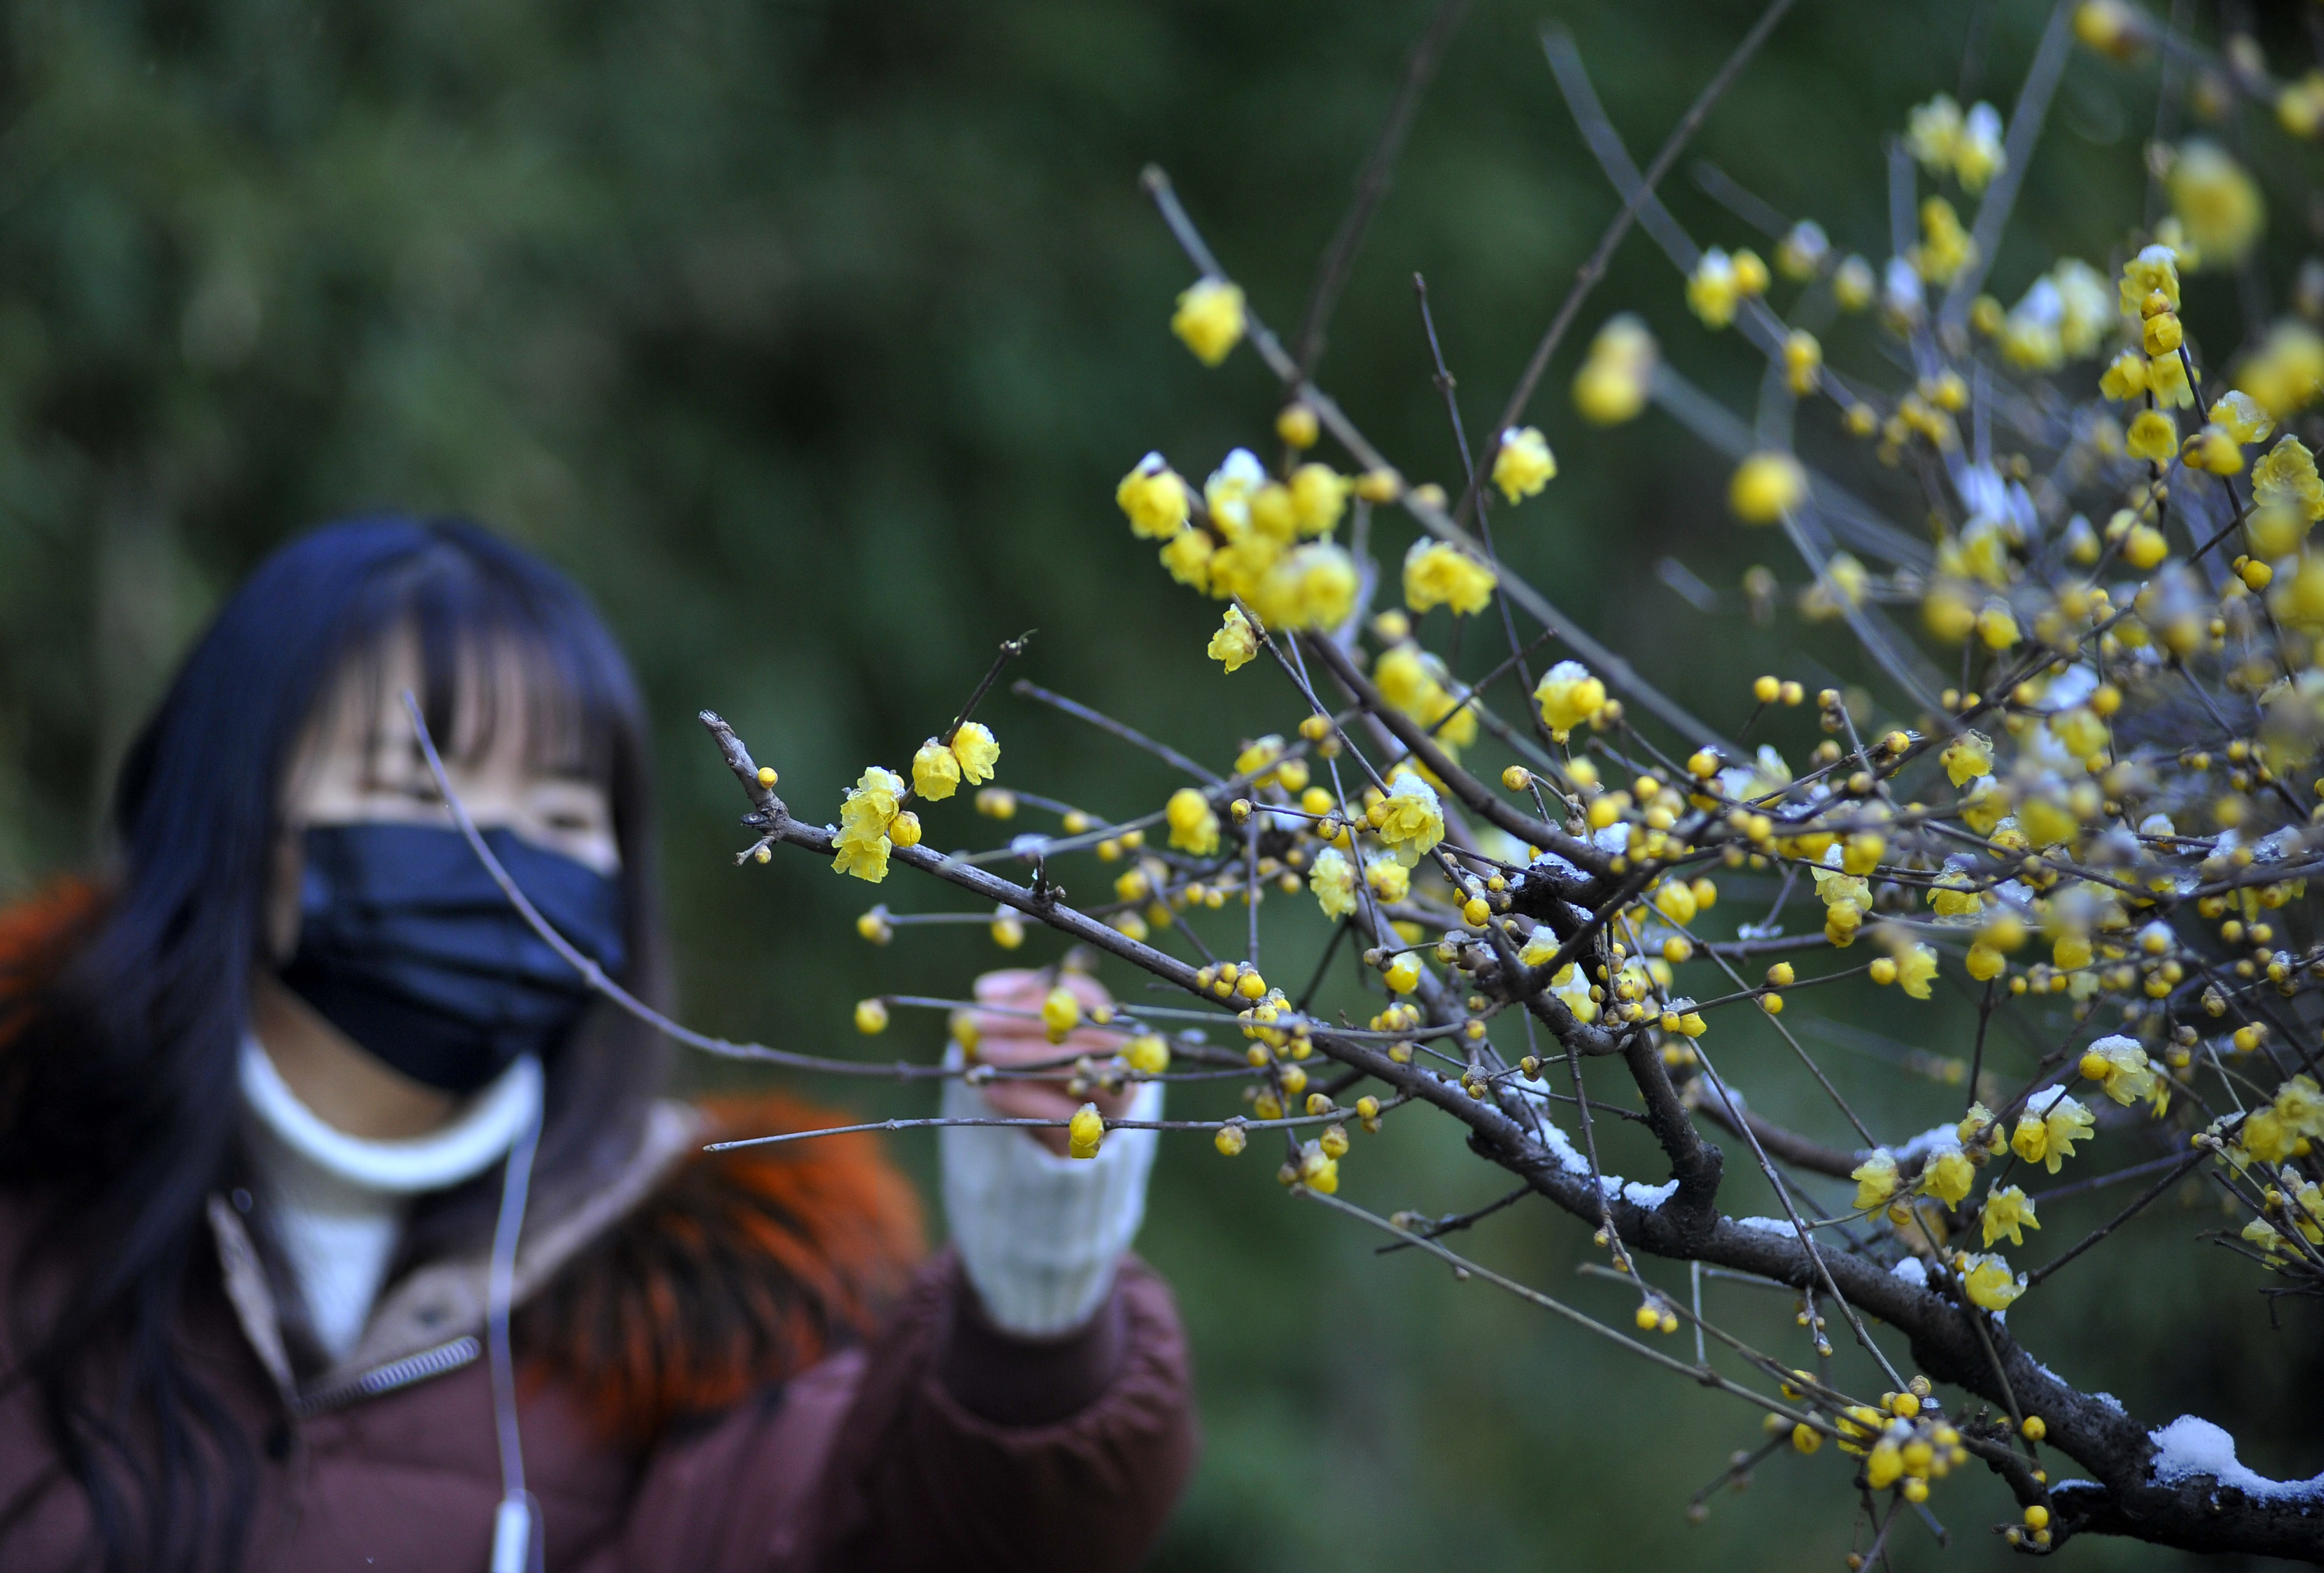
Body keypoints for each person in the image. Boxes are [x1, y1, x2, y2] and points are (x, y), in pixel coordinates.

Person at [0, 518, 1196, 1572]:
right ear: (236, 827)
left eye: (564, 817)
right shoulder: (31, 1224)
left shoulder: (710, 1309)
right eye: (425, 798)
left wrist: (1036, 1287)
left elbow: (918, 1531)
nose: (502, 862)